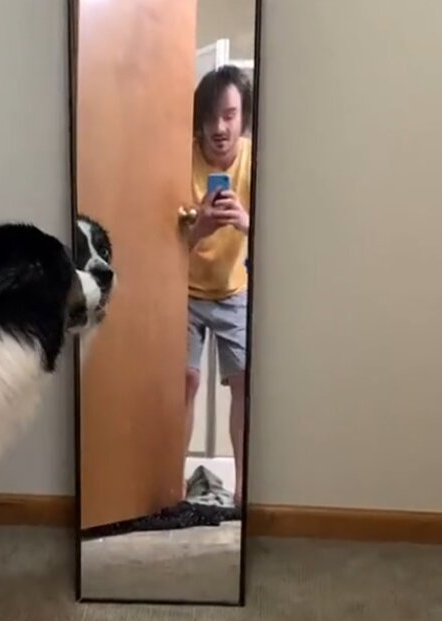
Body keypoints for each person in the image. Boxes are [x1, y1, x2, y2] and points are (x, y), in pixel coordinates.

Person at [184, 65, 254, 507]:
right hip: (183, 290)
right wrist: (200, 228)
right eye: (210, 117)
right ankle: (166, 490)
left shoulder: (257, 159)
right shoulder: (179, 156)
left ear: (242, 117)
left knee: (246, 382)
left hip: (235, 289)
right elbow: (160, 241)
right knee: (182, 382)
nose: (219, 128)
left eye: (229, 115)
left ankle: (246, 491)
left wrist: (245, 221)